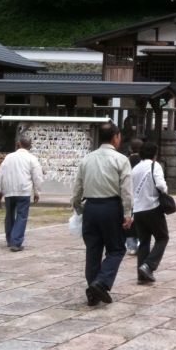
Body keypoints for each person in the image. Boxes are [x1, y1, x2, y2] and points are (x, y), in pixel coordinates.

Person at [70, 122, 133, 306]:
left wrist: (78, 208)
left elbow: (77, 187)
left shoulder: (87, 159)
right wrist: (128, 213)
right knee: (116, 249)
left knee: (93, 250)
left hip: (91, 207)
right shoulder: (121, 160)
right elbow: (126, 190)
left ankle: (93, 293)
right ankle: (101, 282)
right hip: (111, 207)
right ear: (115, 137)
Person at [0, 134, 43, 252]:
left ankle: (10, 239)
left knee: (9, 215)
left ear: (18, 144)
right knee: (21, 216)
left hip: (9, 190)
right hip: (23, 191)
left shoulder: (9, 157)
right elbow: (37, 177)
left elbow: (0, 174)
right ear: (29, 146)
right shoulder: (32, 159)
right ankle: (16, 241)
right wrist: (37, 192)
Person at [131, 142, 169, 285]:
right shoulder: (155, 165)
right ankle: (148, 266)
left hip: (138, 209)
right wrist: (165, 190)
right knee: (162, 237)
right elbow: (160, 185)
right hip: (152, 206)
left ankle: (141, 276)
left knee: (144, 242)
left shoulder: (135, 168)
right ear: (155, 155)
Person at [125, 137, 144, 254]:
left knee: (129, 217)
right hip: (141, 193)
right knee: (140, 219)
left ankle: (131, 245)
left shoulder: (126, 160)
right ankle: (141, 241)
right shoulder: (144, 161)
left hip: (128, 192)